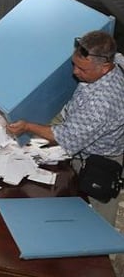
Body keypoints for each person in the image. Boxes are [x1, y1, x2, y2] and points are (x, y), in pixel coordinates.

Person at [7, 30, 124, 225]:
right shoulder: (116, 59)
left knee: (98, 217)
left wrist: (27, 126)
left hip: (101, 161)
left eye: (82, 69)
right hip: (85, 141)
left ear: (104, 68)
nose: (74, 72)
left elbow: (64, 137)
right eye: (74, 64)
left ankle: (101, 253)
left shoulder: (102, 102)